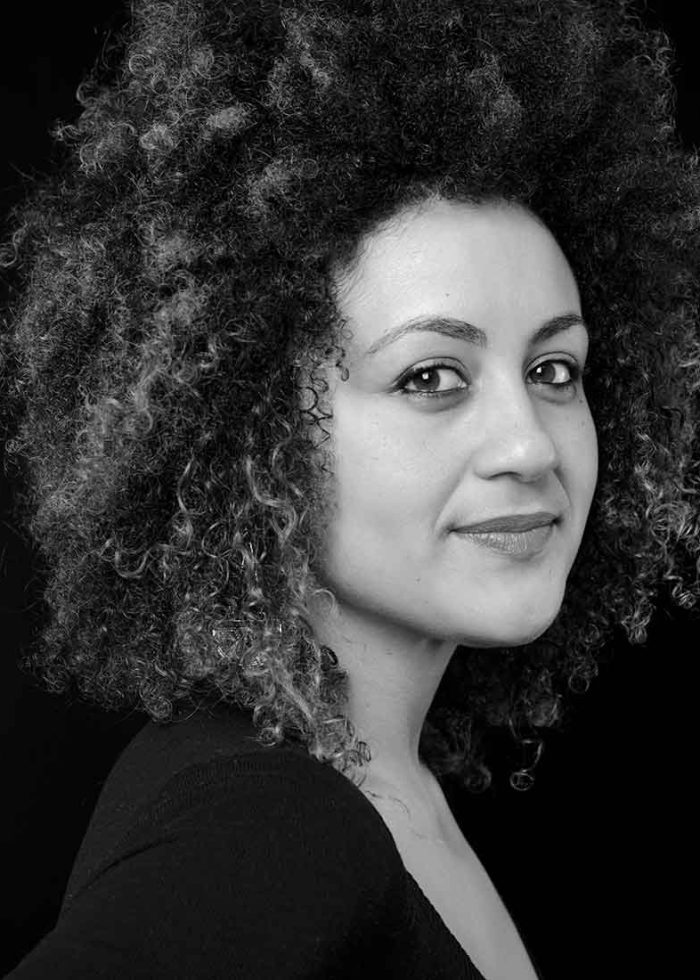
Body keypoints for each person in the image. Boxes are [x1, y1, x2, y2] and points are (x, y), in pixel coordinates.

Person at [1, 0, 699, 977]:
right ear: (242, 421)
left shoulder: (382, 782)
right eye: (430, 376)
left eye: (554, 370)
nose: (529, 444)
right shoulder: (272, 820)